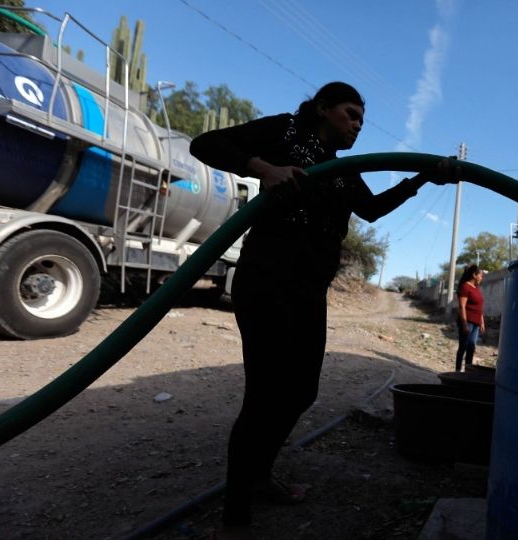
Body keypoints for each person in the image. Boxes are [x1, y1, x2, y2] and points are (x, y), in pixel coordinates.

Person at [189, 81, 456, 537]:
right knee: (264, 396)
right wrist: (263, 168)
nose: (357, 125)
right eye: (350, 113)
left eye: (361, 120)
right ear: (322, 108)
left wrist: (419, 180)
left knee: (301, 392)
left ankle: (259, 476)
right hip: (267, 282)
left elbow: (370, 210)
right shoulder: (286, 131)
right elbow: (205, 143)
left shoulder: (341, 169)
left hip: (309, 291)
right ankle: (236, 512)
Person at [455, 264, 485, 372]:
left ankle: (468, 372)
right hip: (467, 322)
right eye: (480, 275)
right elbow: (462, 306)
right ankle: (458, 371)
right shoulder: (465, 287)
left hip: (476, 323)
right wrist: (464, 324)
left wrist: (482, 322)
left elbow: (479, 306)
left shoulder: (476, 288)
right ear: (474, 275)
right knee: (463, 347)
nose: (482, 277)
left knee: (471, 347)